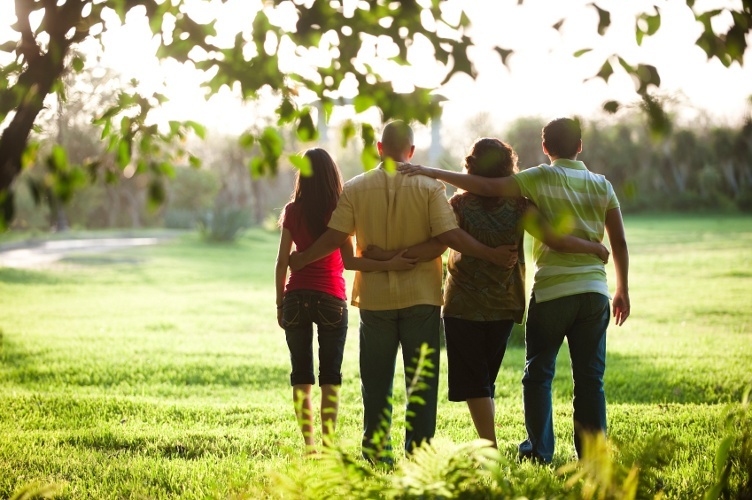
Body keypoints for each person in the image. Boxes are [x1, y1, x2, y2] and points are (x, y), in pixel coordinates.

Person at [399, 118, 630, 463]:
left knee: (533, 376)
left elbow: (472, 205)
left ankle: (531, 451)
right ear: (580, 145)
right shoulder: (579, 190)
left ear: (545, 148)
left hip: (524, 295)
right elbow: (594, 240)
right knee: (588, 380)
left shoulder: (516, 186)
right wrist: (610, 271)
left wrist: (427, 171)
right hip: (555, 297)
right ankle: (592, 458)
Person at [289, 120, 519, 463]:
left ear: (379, 149)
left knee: (377, 383)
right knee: (421, 384)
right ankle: (419, 455)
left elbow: (335, 238)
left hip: (375, 300)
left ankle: (377, 450)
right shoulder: (429, 188)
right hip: (422, 298)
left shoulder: (355, 187)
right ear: (411, 152)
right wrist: (489, 254)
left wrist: (305, 256)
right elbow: (448, 238)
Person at [434, 137, 609, 449]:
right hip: (504, 302)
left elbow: (444, 240)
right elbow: (553, 238)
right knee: (485, 379)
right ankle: (490, 447)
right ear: (508, 167)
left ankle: (490, 448)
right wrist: (594, 246)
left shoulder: (458, 205)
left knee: (477, 382)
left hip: (463, 304)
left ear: (471, 166)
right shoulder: (520, 207)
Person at [275, 147, 418, 453]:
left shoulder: (292, 211)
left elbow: (282, 262)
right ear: (333, 176)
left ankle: (310, 446)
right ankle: (327, 446)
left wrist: (279, 303)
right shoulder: (341, 210)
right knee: (330, 375)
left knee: (301, 373)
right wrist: (388, 263)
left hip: (296, 296)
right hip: (331, 298)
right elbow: (351, 262)